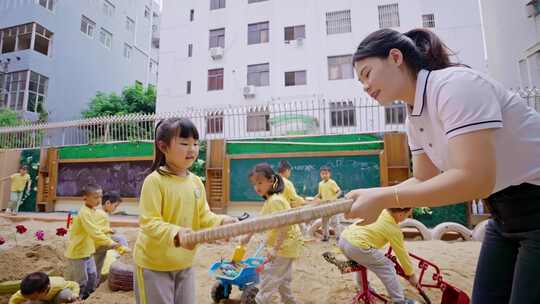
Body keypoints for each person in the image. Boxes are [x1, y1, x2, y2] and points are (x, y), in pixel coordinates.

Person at [344, 28, 540, 303]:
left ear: (396, 57)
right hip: (503, 214)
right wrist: (372, 194)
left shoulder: (454, 86)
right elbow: (423, 179)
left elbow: (475, 179)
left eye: (367, 74)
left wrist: (384, 197)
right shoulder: (415, 117)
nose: (364, 86)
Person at [133, 117, 237, 304]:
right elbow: (149, 222)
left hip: (185, 263)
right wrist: (177, 233)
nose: (192, 149)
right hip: (154, 265)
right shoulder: (155, 181)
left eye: (196, 143)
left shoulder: (196, 182)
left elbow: (204, 216)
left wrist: (221, 221)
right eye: (184, 143)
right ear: (163, 147)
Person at [242, 163, 303, 304]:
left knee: (269, 277)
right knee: (282, 279)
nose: (257, 187)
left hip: (285, 246)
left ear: (271, 181)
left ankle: (260, 301)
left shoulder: (275, 201)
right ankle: (289, 301)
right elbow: (259, 222)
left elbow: (284, 225)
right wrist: (247, 236)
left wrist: (275, 248)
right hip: (288, 245)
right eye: (254, 184)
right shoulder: (271, 200)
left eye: (260, 182)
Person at [340, 208, 417, 304]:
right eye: (408, 214)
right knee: (387, 266)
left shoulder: (381, 211)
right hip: (358, 246)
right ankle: (400, 300)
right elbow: (402, 253)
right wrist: (411, 274)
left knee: (361, 263)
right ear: (401, 213)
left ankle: (364, 288)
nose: (408, 217)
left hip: (344, 238)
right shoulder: (393, 228)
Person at [64, 183, 119, 299]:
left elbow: (96, 227)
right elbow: (94, 231)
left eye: (100, 196)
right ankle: (79, 298)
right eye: (95, 197)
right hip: (78, 253)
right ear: (85, 198)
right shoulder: (84, 213)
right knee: (82, 281)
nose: (99, 200)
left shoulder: (93, 210)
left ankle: (89, 297)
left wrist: (107, 229)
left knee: (93, 276)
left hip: (88, 251)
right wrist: (111, 243)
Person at [9, 272, 80, 304]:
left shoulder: (58, 283)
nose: (31, 299)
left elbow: (74, 284)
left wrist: (75, 294)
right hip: (43, 301)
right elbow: (13, 299)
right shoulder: (26, 291)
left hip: (56, 298)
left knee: (66, 294)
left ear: (45, 290)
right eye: (29, 297)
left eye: (33, 297)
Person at [315, 166, 342, 241]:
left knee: (335, 222)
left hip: (333, 206)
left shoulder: (332, 182)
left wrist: (333, 198)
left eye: (326, 173)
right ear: (320, 174)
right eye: (323, 174)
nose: (324, 175)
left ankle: (338, 236)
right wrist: (315, 197)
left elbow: (339, 192)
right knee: (324, 222)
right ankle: (325, 236)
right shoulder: (320, 184)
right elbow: (320, 194)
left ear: (329, 174)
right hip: (324, 206)